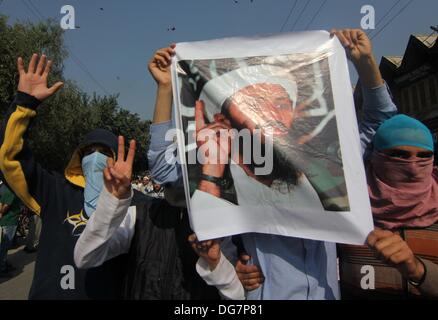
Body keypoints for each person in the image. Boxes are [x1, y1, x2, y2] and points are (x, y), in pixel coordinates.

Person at [148, 29, 398, 299]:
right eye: (255, 105)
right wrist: (165, 89)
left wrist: (365, 63)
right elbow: (162, 167)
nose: (272, 115)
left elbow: (380, 122)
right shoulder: (215, 169)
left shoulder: (325, 164)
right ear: (225, 118)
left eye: (281, 104)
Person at [73, 46, 220, 300]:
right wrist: (114, 200)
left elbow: (239, 295)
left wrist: (220, 268)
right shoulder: (139, 216)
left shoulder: (224, 228)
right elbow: (84, 256)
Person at [0, 53, 132, 299]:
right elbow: (10, 159)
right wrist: (25, 103)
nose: (95, 157)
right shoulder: (55, 191)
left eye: (104, 152)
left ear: (117, 157)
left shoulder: (133, 204)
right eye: (88, 151)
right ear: (77, 158)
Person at [338, 114, 438, 299]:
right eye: (399, 155)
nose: (413, 168)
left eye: (424, 156)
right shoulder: (344, 209)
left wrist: (417, 270)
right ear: (374, 157)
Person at [0, 185, 22, 276]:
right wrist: (1, 212)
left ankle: (3, 263)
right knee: (5, 245)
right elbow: (5, 206)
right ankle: (2, 268)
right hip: (9, 221)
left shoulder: (5, 188)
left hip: (9, 220)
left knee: (5, 245)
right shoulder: (11, 189)